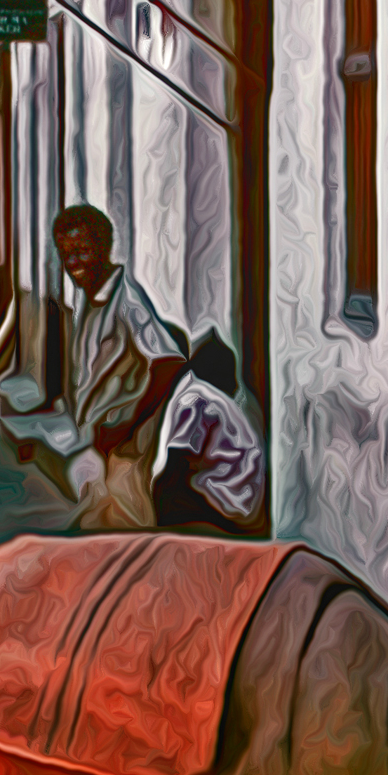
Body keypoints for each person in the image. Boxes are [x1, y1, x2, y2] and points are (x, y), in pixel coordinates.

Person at [58, 204, 186, 530]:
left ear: (104, 248)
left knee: (129, 520)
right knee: (99, 516)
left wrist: (127, 423)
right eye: (66, 254)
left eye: (83, 251)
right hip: (100, 434)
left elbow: (168, 362)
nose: (73, 263)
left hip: (126, 439)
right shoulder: (88, 298)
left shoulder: (127, 299)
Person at [152, 329, 267, 531]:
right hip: (238, 506)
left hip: (204, 503)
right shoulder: (229, 410)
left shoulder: (196, 399)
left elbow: (180, 451)